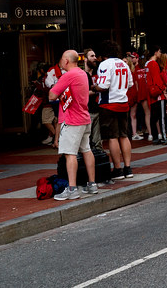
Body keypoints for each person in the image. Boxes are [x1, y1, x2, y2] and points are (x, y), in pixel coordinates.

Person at [48, 49, 98, 200]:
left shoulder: (68, 75)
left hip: (71, 120)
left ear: (67, 61)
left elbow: (52, 95)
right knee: (87, 150)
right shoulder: (82, 73)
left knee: (70, 154)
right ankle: (92, 184)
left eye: (63, 59)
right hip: (84, 117)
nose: (61, 61)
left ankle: (72, 189)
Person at [93, 40, 135, 181]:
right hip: (123, 102)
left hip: (109, 104)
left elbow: (103, 86)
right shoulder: (124, 64)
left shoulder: (105, 64)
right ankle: (128, 167)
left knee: (112, 137)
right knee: (124, 135)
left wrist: (94, 87)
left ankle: (117, 169)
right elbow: (130, 84)